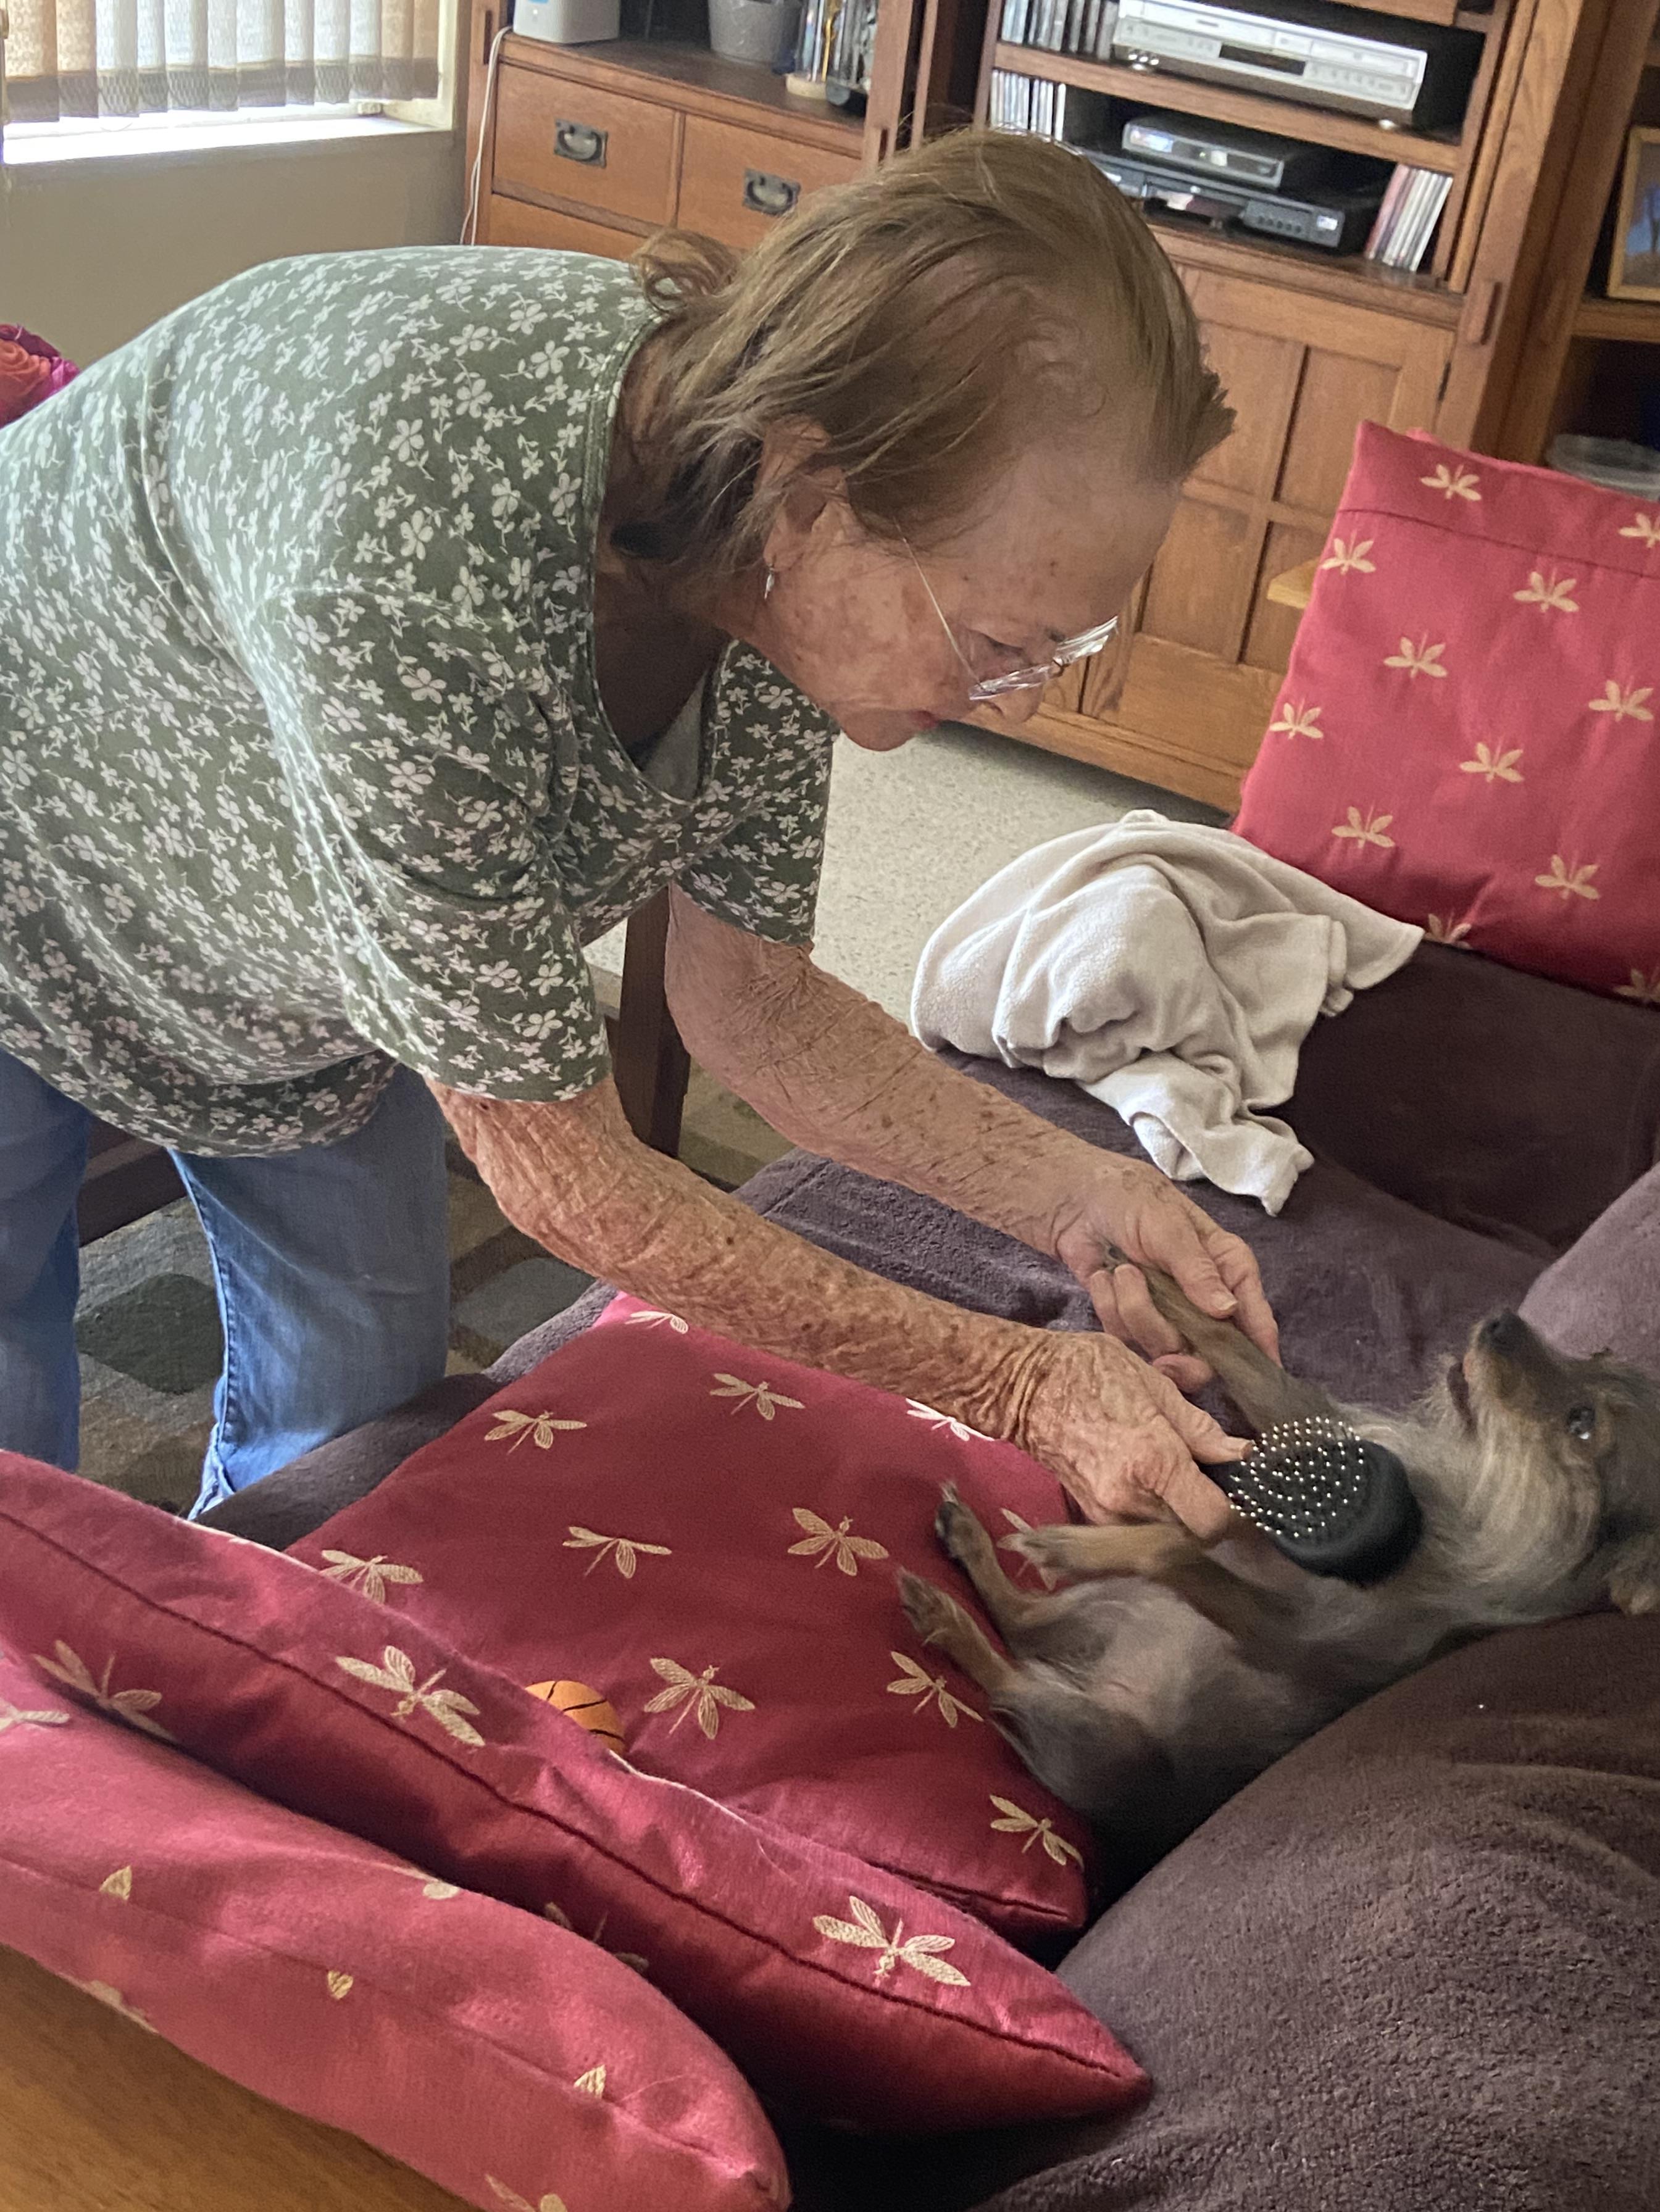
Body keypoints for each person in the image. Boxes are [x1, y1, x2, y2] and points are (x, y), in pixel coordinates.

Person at [0, 128, 1277, 1530]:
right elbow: (567, 1174)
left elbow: (756, 1010)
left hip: (265, 889)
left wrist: (1076, 1192)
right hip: (31, 810)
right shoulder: (411, 566)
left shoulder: (759, 527)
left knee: (359, 1410)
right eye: (992, 640)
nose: (1007, 701)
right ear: (811, 494)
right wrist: (1024, 1386)